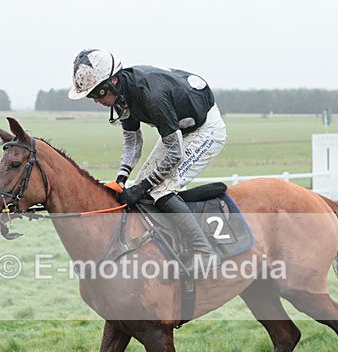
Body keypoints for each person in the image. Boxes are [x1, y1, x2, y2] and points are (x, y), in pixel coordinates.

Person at [68, 49, 226, 265]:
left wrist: (141, 187)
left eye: (98, 93)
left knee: (160, 188)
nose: (96, 100)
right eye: (91, 96)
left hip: (205, 129)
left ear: (114, 81)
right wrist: (121, 180)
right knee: (143, 186)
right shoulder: (122, 96)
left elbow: (175, 152)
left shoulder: (151, 96)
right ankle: (168, 241)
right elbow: (133, 142)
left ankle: (204, 251)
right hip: (177, 132)